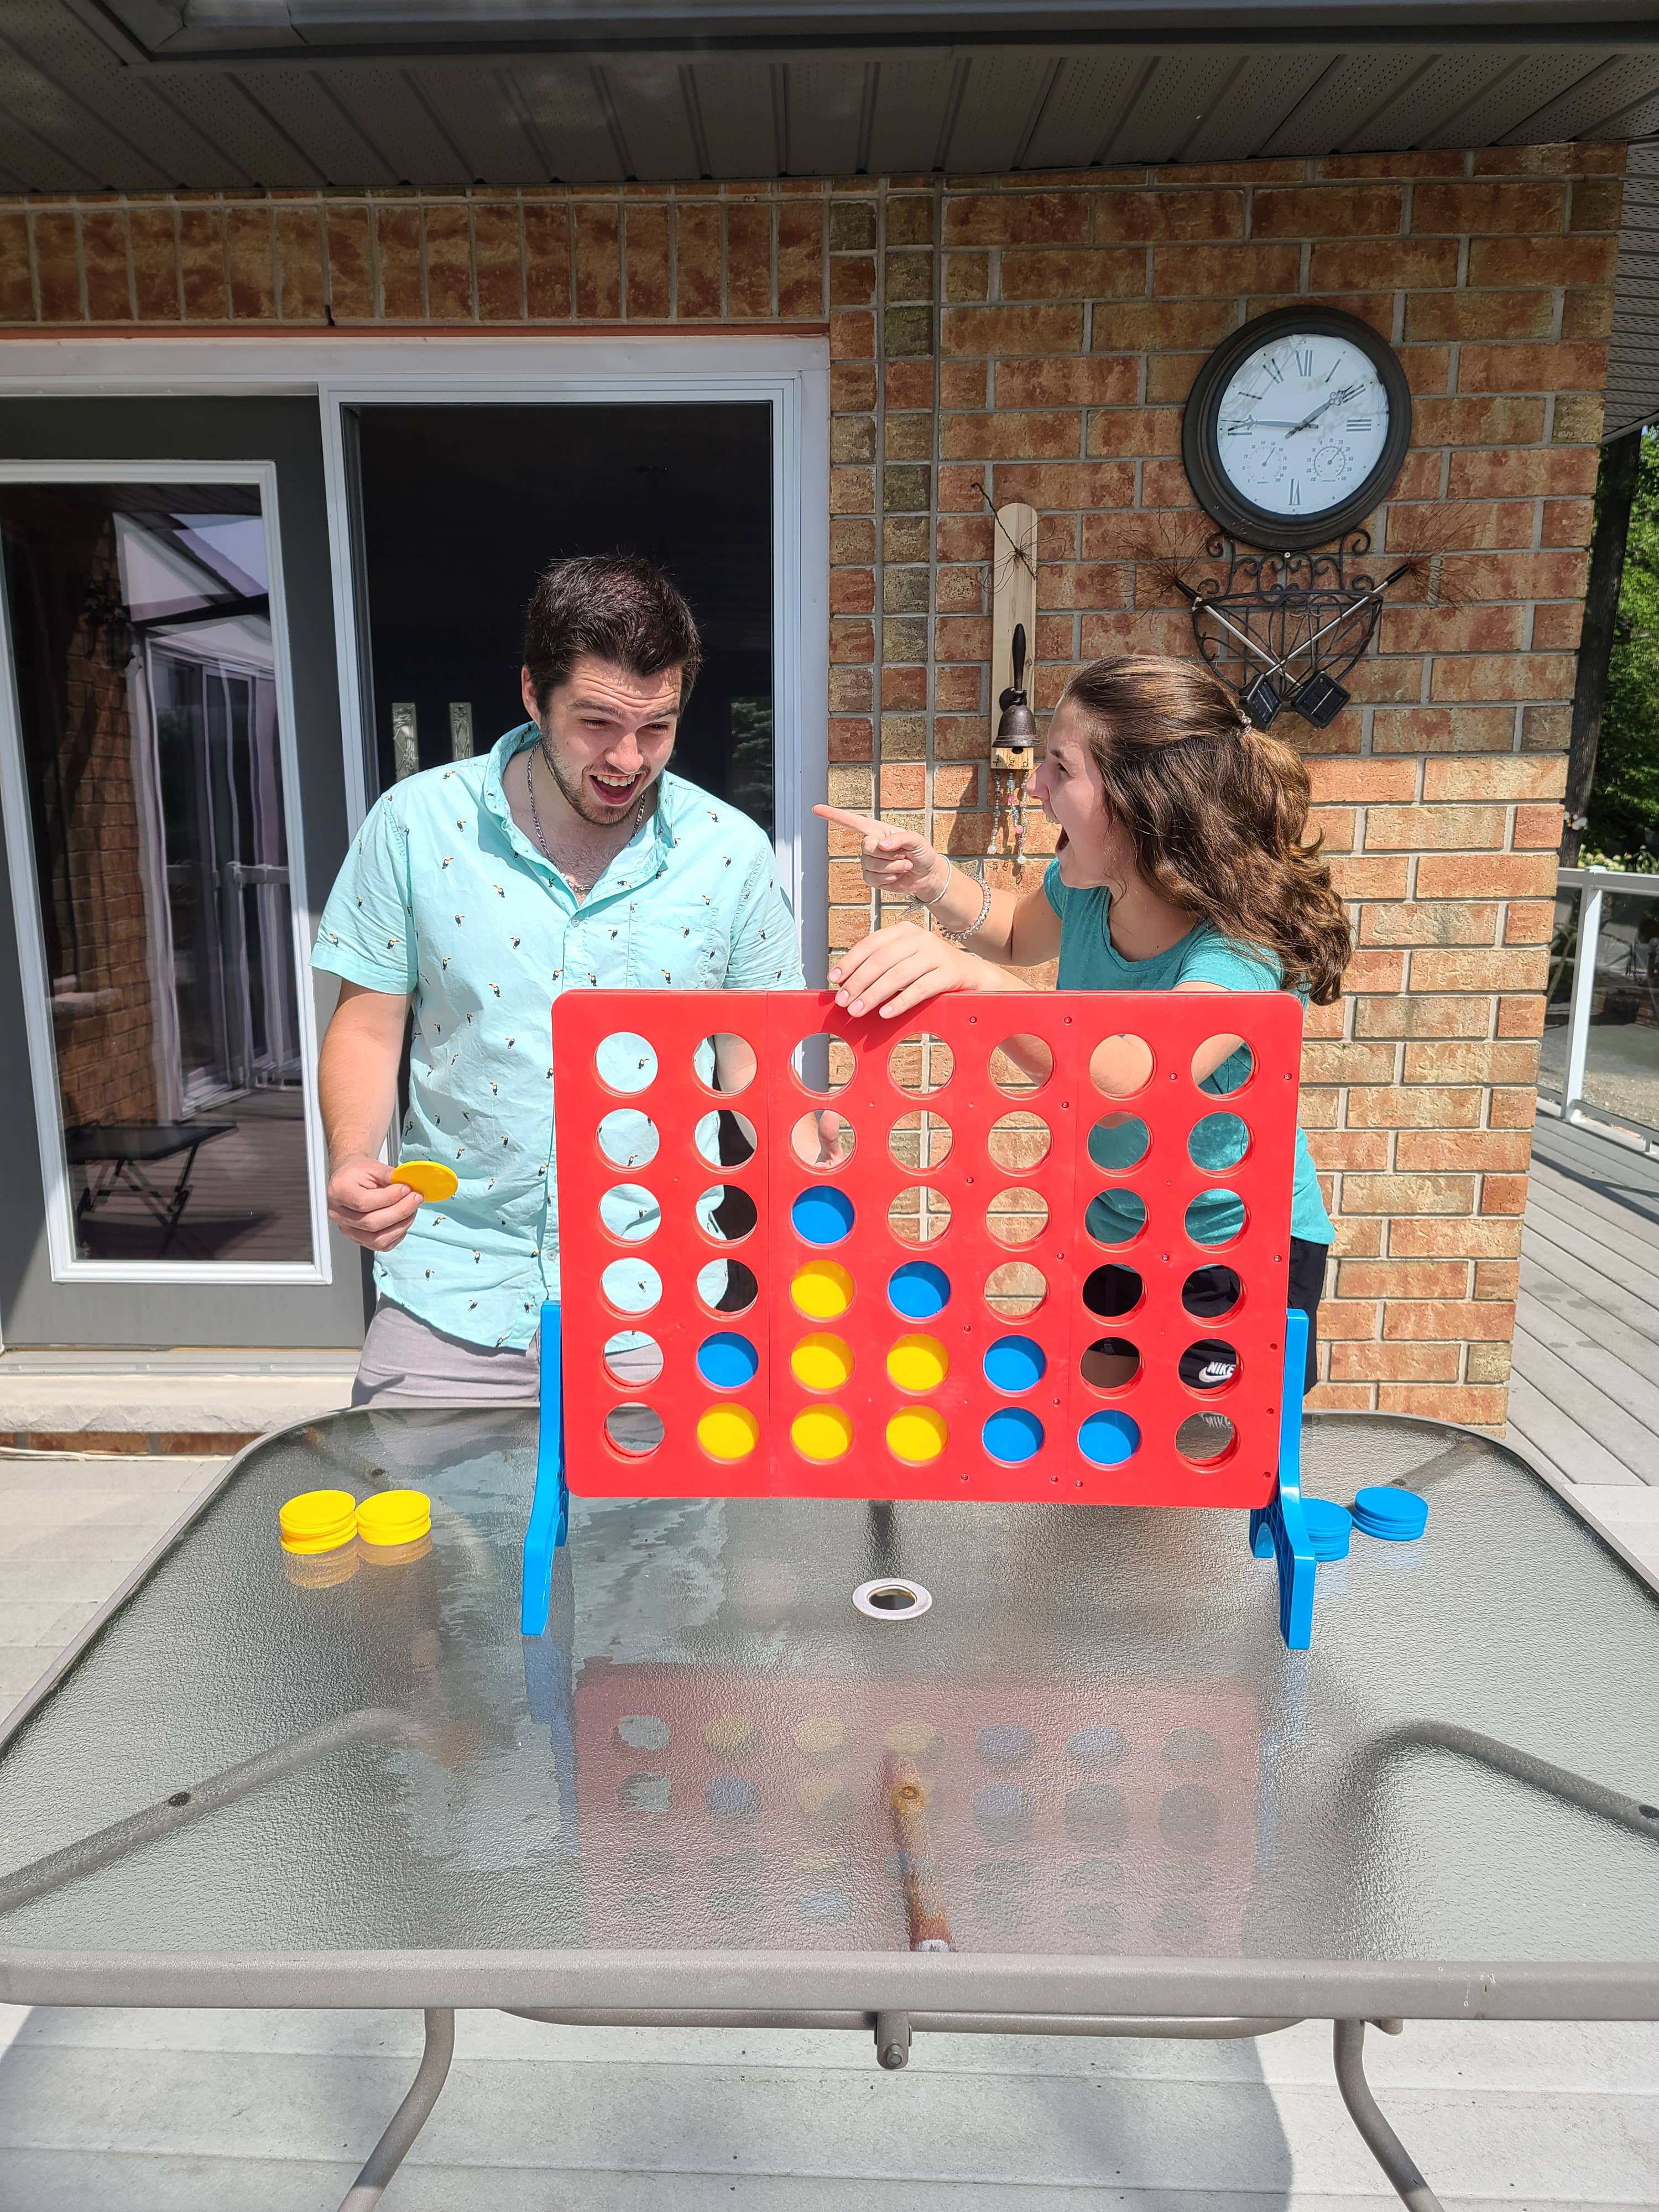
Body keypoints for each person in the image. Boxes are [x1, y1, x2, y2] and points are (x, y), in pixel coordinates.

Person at [313, 554, 804, 1406]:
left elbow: (752, 1058)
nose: (627, 758)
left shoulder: (732, 854)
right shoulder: (415, 825)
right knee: (425, 1542)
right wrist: (354, 1155)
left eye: (657, 727)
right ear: (534, 694)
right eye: (596, 723)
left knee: (663, 1545)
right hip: (447, 1295)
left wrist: (802, 1155)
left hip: (664, 1294)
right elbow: (367, 1023)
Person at [815, 653, 1350, 1395]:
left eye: (1060, 768)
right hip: (1119, 1223)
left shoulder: (1238, 946)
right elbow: (1010, 934)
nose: (1035, 785)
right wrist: (933, 879)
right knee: (1102, 1425)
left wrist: (974, 986)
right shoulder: (1088, 883)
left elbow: (1131, 1076)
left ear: (1146, 802)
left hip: (1233, 1250)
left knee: (1198, 1454)